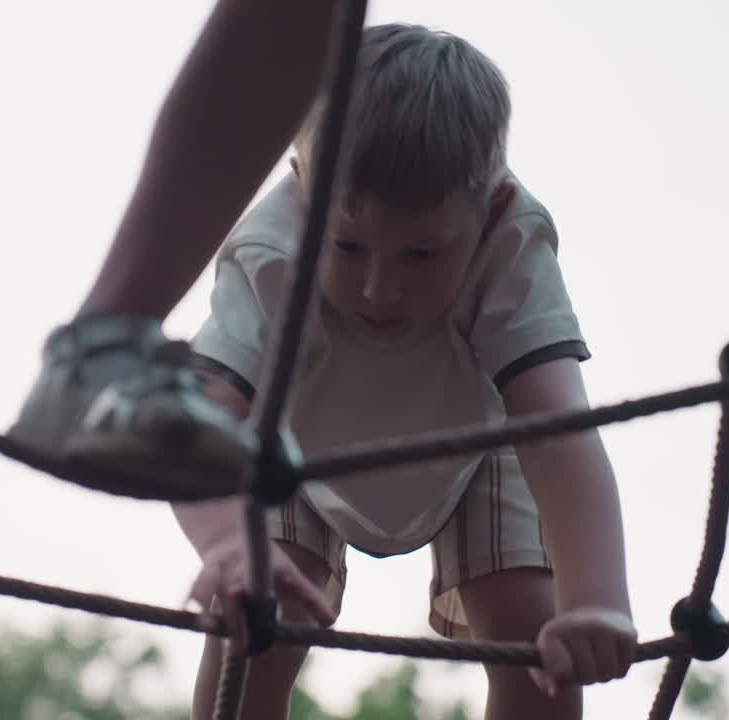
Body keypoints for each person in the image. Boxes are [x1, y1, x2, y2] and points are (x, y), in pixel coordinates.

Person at [174, 24, 637, 720]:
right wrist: (226, 544)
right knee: (256, 620)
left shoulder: (513, 246)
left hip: (477, 432)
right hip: (293, 432)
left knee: (539, 634)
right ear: (304, 195)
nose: (377, 289)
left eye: (422, 255)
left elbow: (558, 430)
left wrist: (597, 600)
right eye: (349, 245)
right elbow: (206, 417)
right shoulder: (271, 252)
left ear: (492, 213)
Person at [7, 0, 346, 500]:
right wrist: (226, 540)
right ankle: (99, 349)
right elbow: (225, 404)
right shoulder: (268, 257)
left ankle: (104, 343)